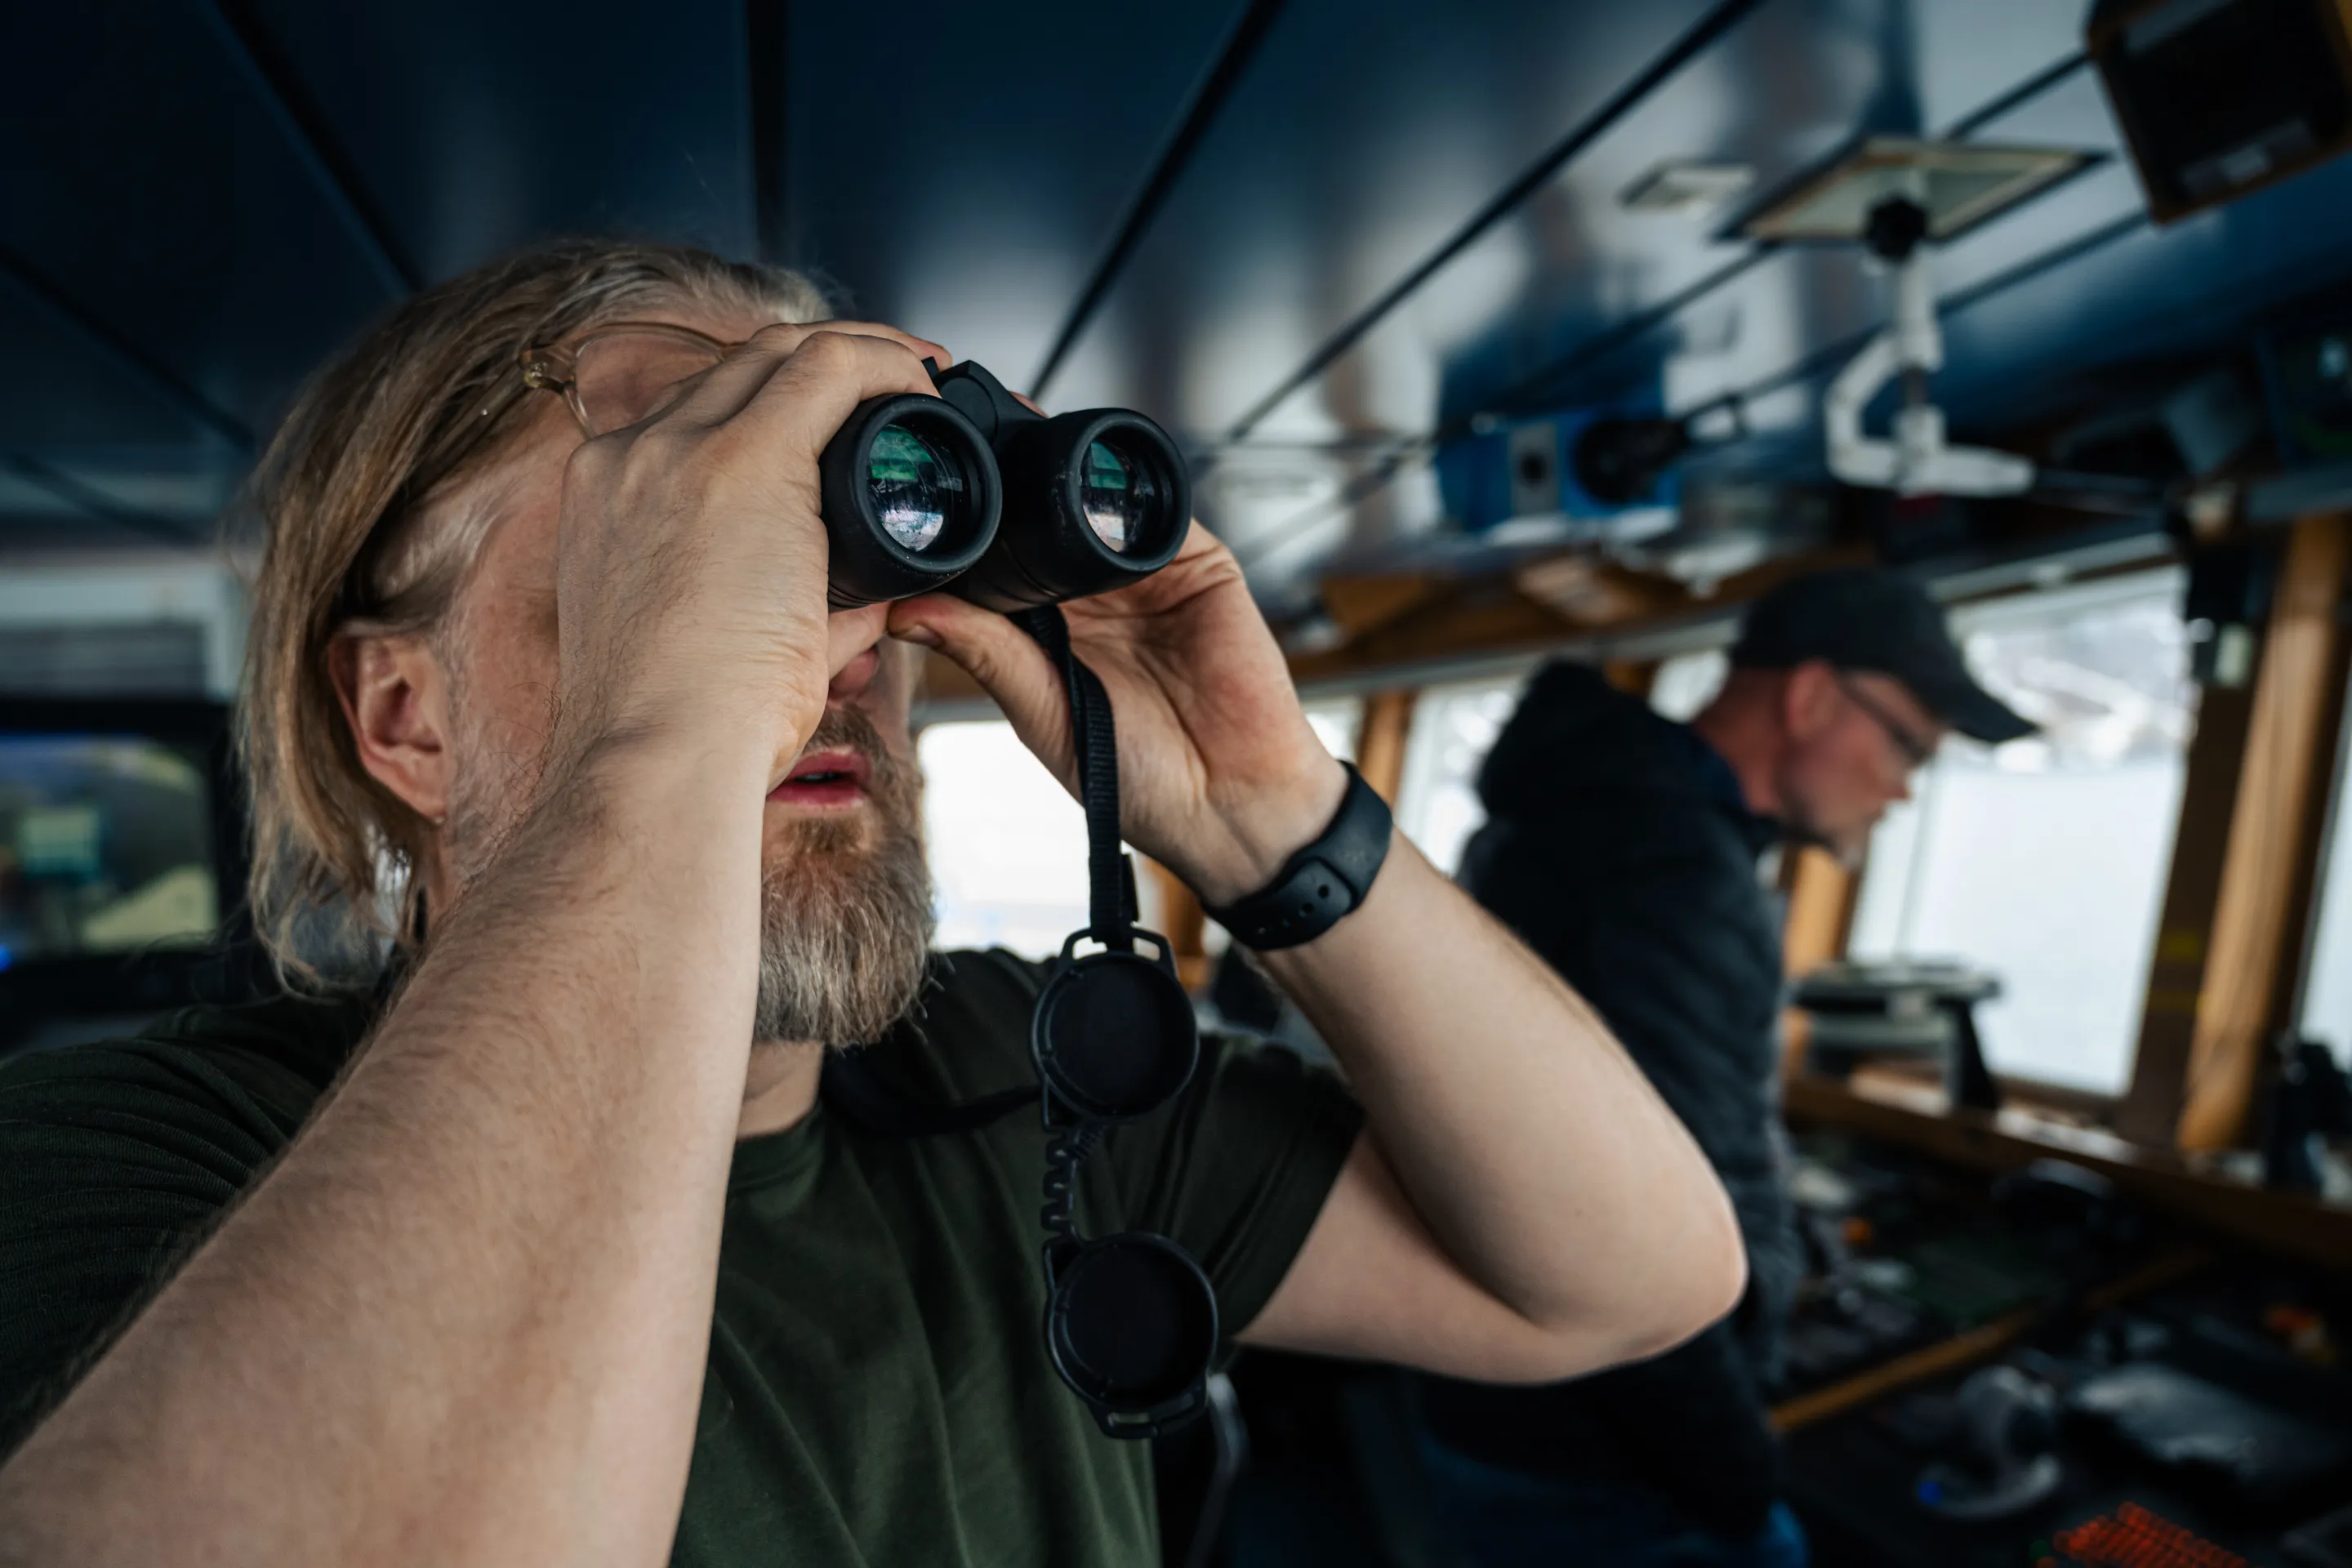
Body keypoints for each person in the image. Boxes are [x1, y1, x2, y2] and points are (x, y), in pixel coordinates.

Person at [0, 241, 1748, 1566]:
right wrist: (674, 729)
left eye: (843, 566)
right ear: (405, 718)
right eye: (668, 567)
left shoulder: (1025, 1079)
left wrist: (1263, 809)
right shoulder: (128, 1164)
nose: (821, 665)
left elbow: (1623, 1281)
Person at [1411, 568, 2035, 1567]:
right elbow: (1630, 1226)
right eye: (1908, 744)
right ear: (1812, 697)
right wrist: (1737, 1473)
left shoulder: (1580, 816)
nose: (1905, 786)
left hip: (1500, 1401)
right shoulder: (1677, 876)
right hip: (1608, 1460)